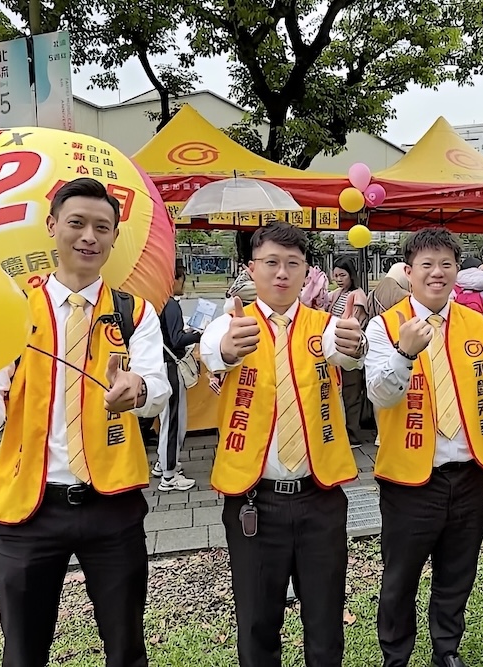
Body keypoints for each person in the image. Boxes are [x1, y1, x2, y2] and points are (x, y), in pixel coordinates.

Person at [0, 177, 171, 667]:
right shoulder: (11, 309)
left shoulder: (134, 312)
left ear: (114, 237)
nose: (89, 236)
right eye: (77, 223)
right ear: (53, 227)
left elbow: (156, 389)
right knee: (24, 652)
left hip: (113, 505)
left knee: (127, 648)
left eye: (102, 227)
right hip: (29, 507)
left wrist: (138, 391)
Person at [365, 228, 483, 667]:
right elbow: (380, 395)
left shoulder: (476, 323)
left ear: (457, 270)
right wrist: (404, 354)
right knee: (400, 576)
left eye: (446, 264)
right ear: (409, 271)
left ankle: (447, 649)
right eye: (426, 264)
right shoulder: (385, 326)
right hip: (408, 480)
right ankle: (396, 655)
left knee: (457, 572)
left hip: (468, 473)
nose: (437, 273)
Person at [200, 222, 365, 667]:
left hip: (320, 498)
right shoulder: (231, 325)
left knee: (325, 619)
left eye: (293, 264)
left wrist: (356, 343)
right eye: (271, 263)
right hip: (255, 501)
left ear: (307, 271)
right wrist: (228, 349)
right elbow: (213, 349)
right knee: (256, 621)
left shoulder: (324, 326)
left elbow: (346, 349)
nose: (281, 274)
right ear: (251, 269)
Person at [153, 262, 201, 491]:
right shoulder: (170, 304)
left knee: (165, 421)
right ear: (174, 279)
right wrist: (198, 334)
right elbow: (176, 339)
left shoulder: (154, 303)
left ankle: (161, 465)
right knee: (174, 422)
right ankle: (169, 475)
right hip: (170, 367)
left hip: (159, 365)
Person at [328, 258, 370, 447]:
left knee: (351, 393)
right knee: (340, 393)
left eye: (342, 275)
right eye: (335, 275)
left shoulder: (358, 295)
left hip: (351, 349)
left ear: (351, 275)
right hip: (335, 347)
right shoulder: (337, 293)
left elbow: (357, 323)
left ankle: (353, 434)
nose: (338, 279)